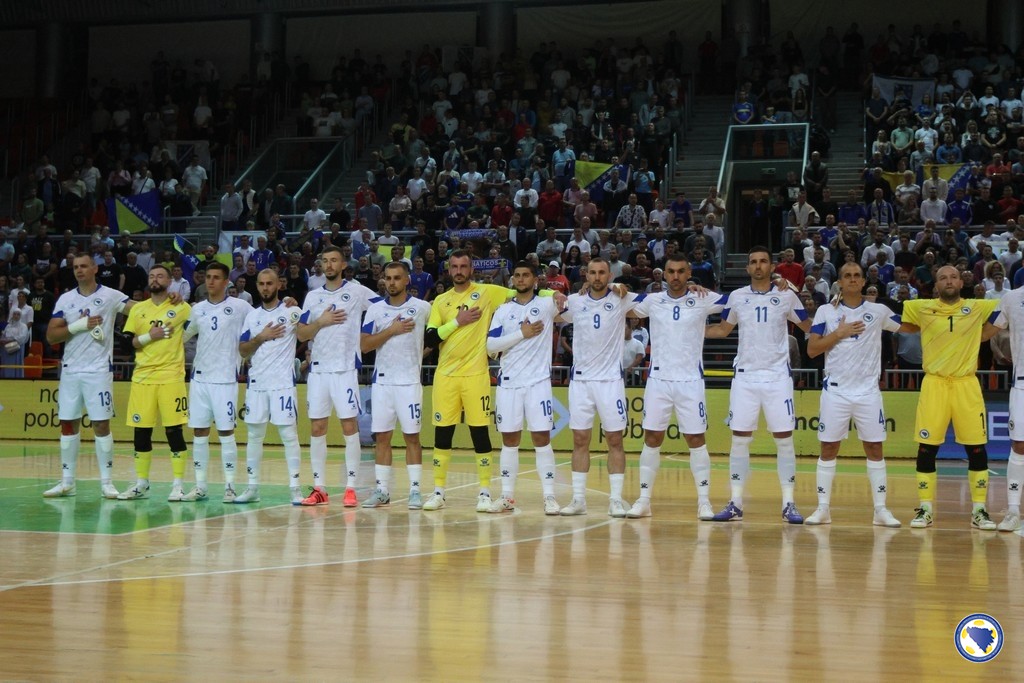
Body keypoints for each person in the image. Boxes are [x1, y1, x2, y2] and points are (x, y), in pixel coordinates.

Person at [422, 250, 561, 511]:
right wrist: (456, 322)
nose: (459, 270)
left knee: (481, 435)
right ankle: (438, 491)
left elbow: (526, 293)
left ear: (472, 268)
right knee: (443, 435)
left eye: (464, 265)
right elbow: (430, 339)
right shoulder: (440, 300)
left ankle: (486, 493)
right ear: (449, 269)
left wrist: (552, 293)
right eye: (455, 266)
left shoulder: (488, 292)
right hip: (446, 376)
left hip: (477, 375)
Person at [705, 246, 812, 523]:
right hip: (745, 377)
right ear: (747, 268)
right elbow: (723, 330)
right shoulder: (738, 297)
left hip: (777, 377)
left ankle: (789, 503)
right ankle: (735, 502)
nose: (758, 266)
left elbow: (809, 327)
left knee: (785, 441)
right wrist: (689, 329)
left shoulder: (786, 295)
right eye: (753, 262)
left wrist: (834, 320)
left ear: (771, 265)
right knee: (740, 439)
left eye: (763, 261)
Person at [625, 254, 726, 519]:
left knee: (695, 440)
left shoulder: (703, 299)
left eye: (681, 271)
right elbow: (622, 305)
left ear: (689, 272)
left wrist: (779, 284)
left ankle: (704, 501)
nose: (676, 276)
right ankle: (644, 499)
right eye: (671, 271)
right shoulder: (653, 300)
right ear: (664, 274)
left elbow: (737, 302)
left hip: (690, 381)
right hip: (658, 380)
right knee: (652, 438)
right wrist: (616, 288)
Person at [804, 262, 904, 527]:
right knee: (828, 447)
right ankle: (823, 508)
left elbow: (906, 327)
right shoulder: (826, 311)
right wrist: (839, 333)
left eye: (856, 276)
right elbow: (813, 349)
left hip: (868, 392)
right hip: (836, 391)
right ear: (839, 281)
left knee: (874, 447)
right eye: (846, 275)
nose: (851, 279)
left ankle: (880, 510)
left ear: (863, 282)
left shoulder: (879, 310)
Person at [901, 266, 1000, 529]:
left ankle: (979, 510)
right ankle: (925, 508)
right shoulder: (920, 307)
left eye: (953, 277)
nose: (949, 281)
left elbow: (1007, 311)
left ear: (962, 281)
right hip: (934, 384)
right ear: (936, 285)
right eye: (943, 278)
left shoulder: (978, 306)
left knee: (977, 448)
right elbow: (890, 317)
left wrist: (976, 336)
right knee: (926, 448)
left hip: (966, 384)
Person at [296, 246, 381, 507]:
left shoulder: (357, 291)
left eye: (334, 261)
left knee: (348, 427)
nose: (329, 265)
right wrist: (321, 322)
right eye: (325, 260)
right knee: (317, 428)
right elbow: (301, 334)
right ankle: (319, 487)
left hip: (345, 370)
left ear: (343, 265)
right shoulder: (312, 297)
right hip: (319, 371)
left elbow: (384, 307)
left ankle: (351, 487)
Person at [42, 254, 130, 499]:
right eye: (75, 267)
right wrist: (80, 325)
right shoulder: (66, 298)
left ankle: (107, 482)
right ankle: (67, 482)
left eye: (83, 266)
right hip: (71, 371)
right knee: (68, 424)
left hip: (98, 372)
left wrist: (167, 301)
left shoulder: (111, 295)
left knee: (101, 424)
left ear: (95, 268)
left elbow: (139, 309)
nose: (79, 270)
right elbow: (51, 335)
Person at [559, 258, 639, 517]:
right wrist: (554, 293)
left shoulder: (621, 298)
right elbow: (546, 302)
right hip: (581, 382)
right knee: (580, 439)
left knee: (615, 440)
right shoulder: (575, 301)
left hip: (609, 383)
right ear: (586, 275)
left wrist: (620, 285)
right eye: (592, 272)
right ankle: (578, 499)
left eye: (602, 272)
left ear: (610, 274)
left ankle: (615, 499)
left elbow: (655, 301)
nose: (597, 277)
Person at [484, 262, 561, 514]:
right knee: (509, 440)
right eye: (516, 275)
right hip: (509, 384)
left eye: (525, 275)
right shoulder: (502, 311)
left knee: (542, 438)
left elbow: (576, 302)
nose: (520, 278)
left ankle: (549, 496)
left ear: (535, 279)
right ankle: (507, 497)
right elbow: (491, 346)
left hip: (538, 383)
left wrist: (556, 294)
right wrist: (521, 333)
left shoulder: (547, 305)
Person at [178, 263, 254, 502]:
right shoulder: (196, 309)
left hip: (225, 380)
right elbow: (182, 336)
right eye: (207, 277)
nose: (210, 281)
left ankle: (230, 486)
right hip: (200, 379)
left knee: (225, 432)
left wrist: (287, 305)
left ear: (226, 282)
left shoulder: (241, 307)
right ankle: (200, 486)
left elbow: (263, 319)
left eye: (215, 278)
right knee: (199, 432)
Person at [359, 262, 433, 509]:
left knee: (412, 436)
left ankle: (414, 491)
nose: (392, 282)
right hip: (382, 383)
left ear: (407, 280)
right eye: (388, 278)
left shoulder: (422, 308)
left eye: (397, 278)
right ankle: (382, 491)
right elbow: (364, 345)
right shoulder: (375, 310)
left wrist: (419, 354)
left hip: (409, 383)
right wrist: (392, 330)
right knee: (382, 438)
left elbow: (436, 336)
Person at [118, 265, 192, 500]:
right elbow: (128, 343)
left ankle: (178, 485)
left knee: (174, 431)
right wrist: (152, 335)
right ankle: (141, 483)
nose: (155, 279)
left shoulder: (181, 306)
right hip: (142, 378)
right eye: (151, 276)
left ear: (170, 281)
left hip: (171, 377)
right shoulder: (138, 309)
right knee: (141, 432)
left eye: (160, 276)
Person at [235, 269, 305, 503]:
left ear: (278, 285)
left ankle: (295, 488)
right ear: (257, 286)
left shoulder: (292, 311)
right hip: (257, 384)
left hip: (282, 384)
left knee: (288, 434)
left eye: (270, 283)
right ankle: (252, 488)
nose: (265, 287)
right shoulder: (252, 316)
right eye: (262, 284)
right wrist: (261, 337)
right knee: (254, 436)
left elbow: (306, 334)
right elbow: (243, 349)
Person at [991, 284, 1024, 531]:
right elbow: (989, 329)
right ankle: (1013, 510)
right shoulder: (1011, 298)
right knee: (1019, 445)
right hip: (1022, 383)